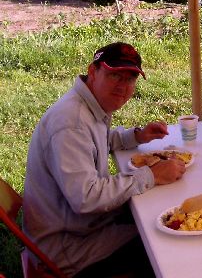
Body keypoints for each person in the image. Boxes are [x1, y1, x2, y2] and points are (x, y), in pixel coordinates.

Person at [23, 42, 186, 277]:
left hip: (81, 228)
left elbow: (96, 142)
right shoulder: (72, 123)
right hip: (69, 250)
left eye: (130, 79)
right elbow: (86, 198)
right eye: (115, 75)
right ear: (93, 71)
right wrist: (152, 174)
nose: (123, 87)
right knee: (165, 242)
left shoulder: (88, 105)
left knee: (161, 215)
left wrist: (136, 136)